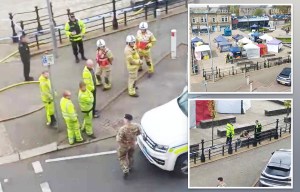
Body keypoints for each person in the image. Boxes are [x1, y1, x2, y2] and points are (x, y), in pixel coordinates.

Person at [116, 114, 141, 179]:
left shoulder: (122, 129)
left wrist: (121, 144)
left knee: (122, 157)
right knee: (130, 156)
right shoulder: (136, 126)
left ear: (126, 119)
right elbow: (139, 133)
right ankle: (130, 166)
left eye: (124, 118)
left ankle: (125, 169)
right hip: (132, 144)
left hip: (124, 146)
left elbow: (118, 139)